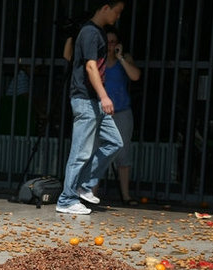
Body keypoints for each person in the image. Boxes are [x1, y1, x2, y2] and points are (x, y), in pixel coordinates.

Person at [56, 1, 125, 215]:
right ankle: (66, 199)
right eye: (117, 12)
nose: (118, 16)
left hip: (93, 100)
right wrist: (105, 97)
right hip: (86, 100)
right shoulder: (89, 32)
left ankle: (84, 185)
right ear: (105, 7)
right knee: (80, 152)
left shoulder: (97, 32)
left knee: (115, 142)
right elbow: (90, 66)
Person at [100, 25, 141, 205]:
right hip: (101, 112)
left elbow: (135, 76)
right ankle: (91, 193)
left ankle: (126, 195)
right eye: (107, 42)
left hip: (122, 112)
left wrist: (120, 57)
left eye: (113, 42)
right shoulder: (98, 61)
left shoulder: (123, 58)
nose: (110, 46)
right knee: (98, 152)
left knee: (123, 153)